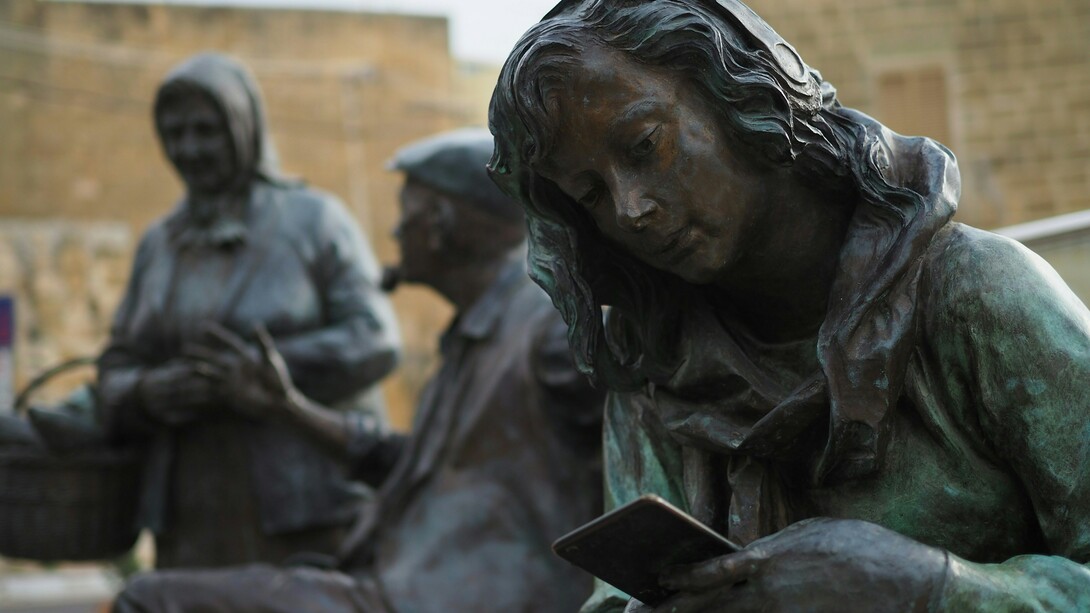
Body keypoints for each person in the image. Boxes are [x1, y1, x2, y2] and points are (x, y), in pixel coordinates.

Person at [486, 0, 1090, 611]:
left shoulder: (977, 295)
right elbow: (613, 600)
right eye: (590, 195)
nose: (630, 208)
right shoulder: (656, 373)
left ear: (739, 98)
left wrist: (927, 588)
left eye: (645, 146)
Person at [110, 128, 606, 612]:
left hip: (446, 598)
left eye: (405, 213)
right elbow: (409, 463)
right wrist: (287, 409)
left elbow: (635, 458)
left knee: (150, 599)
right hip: (400, 583)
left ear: (439, 223)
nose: (394, 231)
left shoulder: (547, 328)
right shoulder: (476, 333)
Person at [97, 52, 401, 569]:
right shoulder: (160, 244)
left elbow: (375, 338)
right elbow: (115, 366)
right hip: (191, 514)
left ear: (244, 129)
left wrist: (260, 374)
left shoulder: (315, 221)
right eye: (174, 133)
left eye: (206, 131)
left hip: (307, 507)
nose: (188, 149)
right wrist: (146, 393)